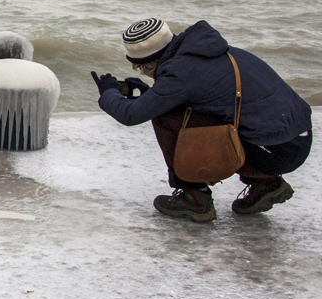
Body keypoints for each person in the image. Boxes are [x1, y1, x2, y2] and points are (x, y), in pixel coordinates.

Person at [91, 18, 312, 222]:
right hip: (296, 139)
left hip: (276, 152)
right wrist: (151, 95)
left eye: (139, 67)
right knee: (188, 110)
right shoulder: (205, 50)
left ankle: (195, 197)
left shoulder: (181, 72)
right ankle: (265, 184)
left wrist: (109, 92)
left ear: (151, 63)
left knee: (164, 116)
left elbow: (130, 115)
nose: (140, 72)